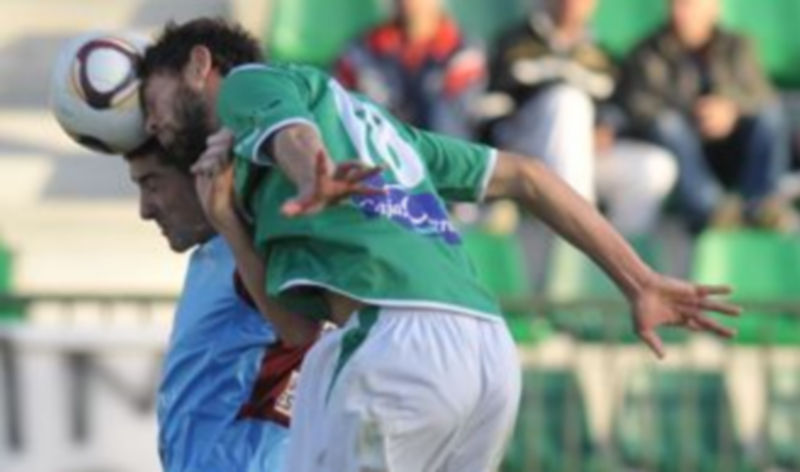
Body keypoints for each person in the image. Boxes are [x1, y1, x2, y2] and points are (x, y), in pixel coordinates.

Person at [139, 18, 741, 471]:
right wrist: (638, 280)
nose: (152, 123)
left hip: (397, 348)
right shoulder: (383, 131)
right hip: (487, 353)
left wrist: (310, 174)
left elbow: (289, 133)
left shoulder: (247, 85)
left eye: (152, 101)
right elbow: (527, 176)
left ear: (198, 65)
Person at [122, 138, 311, 471]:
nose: (145, 209)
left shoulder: (256, 247)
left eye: (152, 184)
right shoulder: (214, 254)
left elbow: (306, 333)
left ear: (205, 175)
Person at [486, 0, 677, 237]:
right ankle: (580, 235)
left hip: (583, 154)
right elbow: (489, 110)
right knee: (567, 100)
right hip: (523, 151)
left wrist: (607, 128)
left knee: (655, 168)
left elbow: (617, 113)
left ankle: (616, 257)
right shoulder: (513, 43)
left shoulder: (603, 57)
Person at [616, 0, 791, 232]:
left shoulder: (737, 46)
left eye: (689, 4)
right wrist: (693, 116)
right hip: (684, 153)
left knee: (771, 114)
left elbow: (762, 95)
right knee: (669, 126)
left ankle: (761, 206)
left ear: (712, 8)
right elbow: (637, 105)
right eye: (675, 4)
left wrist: (731, 109)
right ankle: (710, 210)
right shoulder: (648, 52)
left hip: (735, 150)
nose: (680, 13)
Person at [334, 0, 486, 139]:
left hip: (442, 159)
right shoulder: (360, 52)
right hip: (378, 158)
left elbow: (448, 125)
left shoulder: (464, 52)